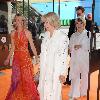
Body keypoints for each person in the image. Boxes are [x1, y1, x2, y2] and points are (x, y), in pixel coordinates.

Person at [4, 14, 40, 100]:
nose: (19, 22)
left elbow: (32, 46)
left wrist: (37, 57)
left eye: (21, 20)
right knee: (16, 79)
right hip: (16, 59)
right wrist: (8, 58)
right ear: (15, 22)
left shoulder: (27, 33)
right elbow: (12, 47)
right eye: (17, 20)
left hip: (25, 59)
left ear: (23, 22)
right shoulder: (12, 33)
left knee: (27, 79)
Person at [38, 12, 68, 100]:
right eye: (44, 22)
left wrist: (63, 73)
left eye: (47, 22)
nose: (45, 24)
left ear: (53, 21)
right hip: (45, 70)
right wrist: (40, 69)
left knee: (53, 94)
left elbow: (63, 56)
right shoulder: (45, 35)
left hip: (56, 70)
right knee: (43, 93)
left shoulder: (62, 37)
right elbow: (43, 54)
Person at [64, 6, 92, 86]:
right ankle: (70, 80)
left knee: (83, 68)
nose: (78, 15)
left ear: (83, 13)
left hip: (83, 49)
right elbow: (69, 33)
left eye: (79, 13)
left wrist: (82, 45)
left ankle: (83, 85)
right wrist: (70, 45)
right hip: (73, 47)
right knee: (73, 63)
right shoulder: (73, 21)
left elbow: (89, 36)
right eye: (77, 14)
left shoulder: (89, 22)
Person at [69, 17, 90, 99]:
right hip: (75, 58)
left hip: (84, 58)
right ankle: (75, 93)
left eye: (81, 23)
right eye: (77, 23)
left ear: (84, 24)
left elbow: (90, 46)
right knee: (75, 75)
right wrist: (73, 47)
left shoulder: (88, 34)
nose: (79, 25)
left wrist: (81, 46)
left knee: (85, 75)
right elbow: (70, 46)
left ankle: (84, 91)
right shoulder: (73, 35)